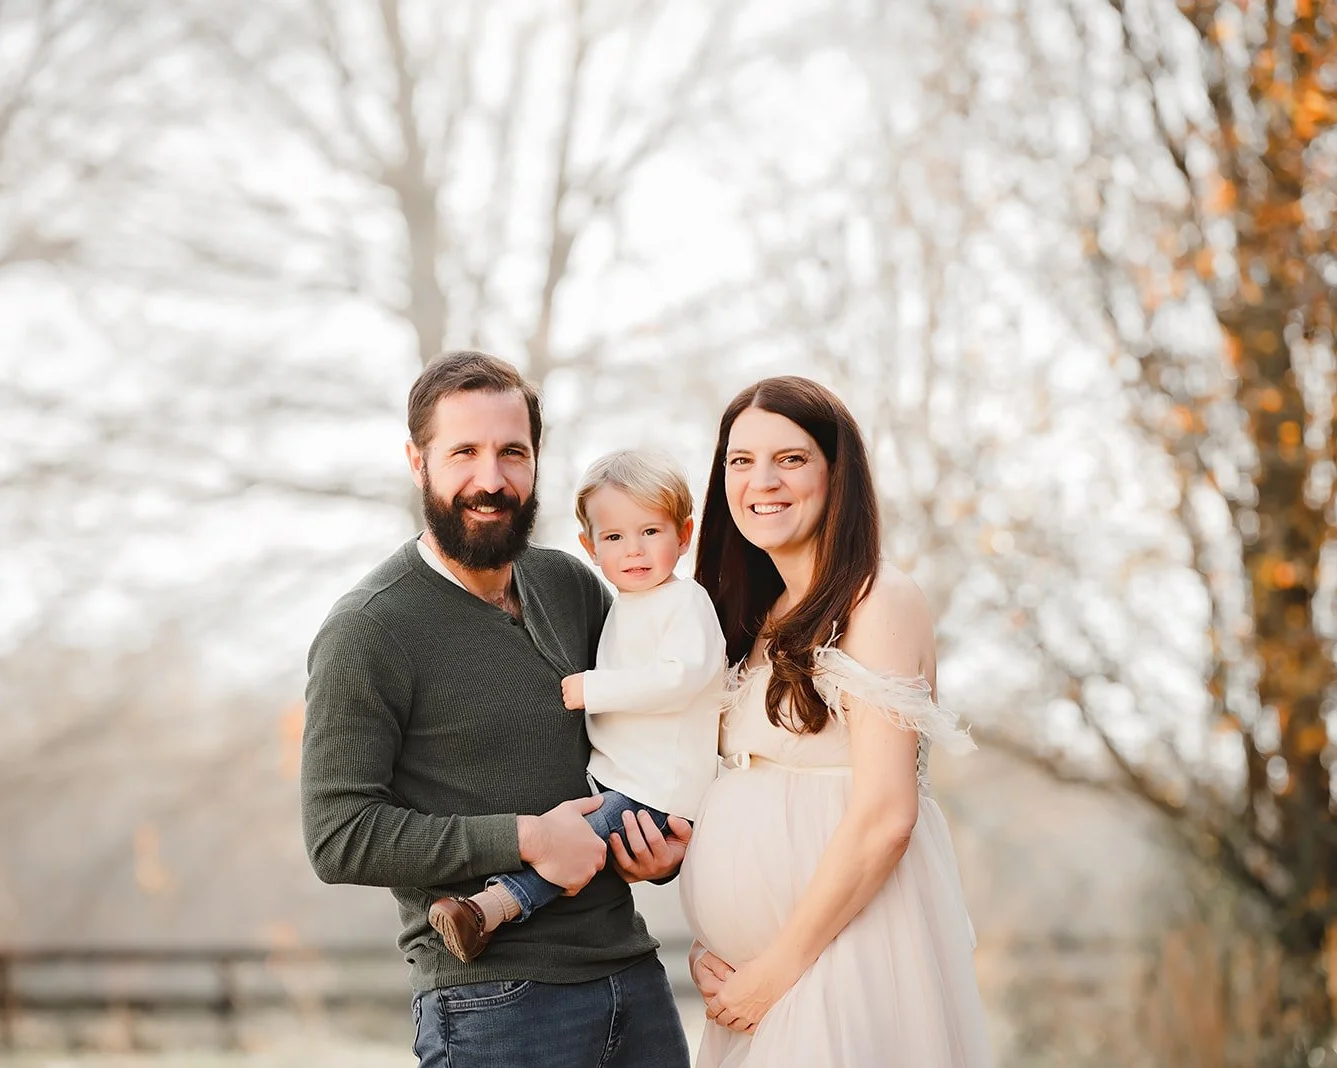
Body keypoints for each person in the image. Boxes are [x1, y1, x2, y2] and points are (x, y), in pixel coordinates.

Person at [301, 351, 692, 1068]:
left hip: (632, 979)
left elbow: (653, 732)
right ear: (418, 462)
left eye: (513, 452)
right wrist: (523, 840)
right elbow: (337, 835)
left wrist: (660, 850)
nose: (492, 479)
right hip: (491, 1005)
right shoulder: (370, 628)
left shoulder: (571, 584)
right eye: (464, 453)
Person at [678, 375, 994, 1067]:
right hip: (756, 981)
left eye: (790, 459)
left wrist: (775, 970)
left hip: (839, 966)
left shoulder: (879, 601)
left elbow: (886, 815)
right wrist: (717, 944)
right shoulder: (752, 622)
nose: (762, 480)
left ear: (836, 474)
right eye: (741, 461)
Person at [428, 448, 726, 963]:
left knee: (576, 842)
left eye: (650, 532)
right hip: (619, 774)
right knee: (571, 832)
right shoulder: (627, 602)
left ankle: (490, 908)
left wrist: (594, 689)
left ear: (684, 535)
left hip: (657, 785)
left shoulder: (686, 602)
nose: (633, 550)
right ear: (590, 546)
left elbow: (682, 678)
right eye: (614, 537)